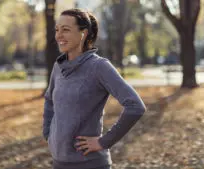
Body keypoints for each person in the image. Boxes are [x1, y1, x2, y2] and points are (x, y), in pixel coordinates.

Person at [43, 8, 146, 169]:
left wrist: (104, 142)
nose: (59, 36)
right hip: (59, 163)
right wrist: (49, 133)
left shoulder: (99, 67)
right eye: (57, 30)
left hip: (90, 164)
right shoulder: (59, 66)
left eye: (66, 30)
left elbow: (135, 106)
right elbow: (49, 100)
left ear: (83, 34)